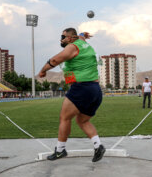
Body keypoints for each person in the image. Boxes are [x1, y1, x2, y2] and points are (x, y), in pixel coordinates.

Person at [39, 28, 105, 162]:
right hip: (95, 90)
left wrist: (43, 71)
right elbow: (80, 37)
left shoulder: (71, 47)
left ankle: (60, 150)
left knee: (64, 118)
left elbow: (56, 60)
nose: (61, 39)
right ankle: (98, 146)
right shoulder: (81, 42)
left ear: (70, 38)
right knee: (82, 120)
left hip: (81, 88)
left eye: (63, 36)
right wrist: (82, 35)